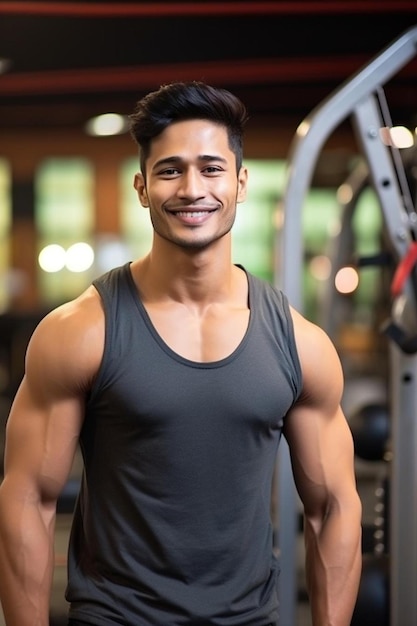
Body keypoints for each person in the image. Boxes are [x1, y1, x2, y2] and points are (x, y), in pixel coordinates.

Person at [0, 81, 362, 626]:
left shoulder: (299, 342)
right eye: (170, 170)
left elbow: (334, 506)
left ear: (240, 183)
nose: (193, 189)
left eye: (212, 169)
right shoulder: (79, 332)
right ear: (142, 187)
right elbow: (27, 499)